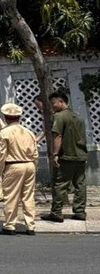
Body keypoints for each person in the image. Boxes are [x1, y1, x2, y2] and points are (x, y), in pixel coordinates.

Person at [44, 90, 88, 223]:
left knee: (59, 184)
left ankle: (56, 212)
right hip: (80, 155)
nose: (52, 106)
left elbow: (57, 136)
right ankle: (80, 211)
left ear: (61, 101)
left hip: (66, 156)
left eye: (53, 103)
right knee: (80, 185)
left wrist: (55, 154)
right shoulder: (78, 117)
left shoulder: (59, 116)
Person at [0, 103, 38, 235]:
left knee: (11, 196)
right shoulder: (29, 132)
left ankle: (10, 225)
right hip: (29, 164)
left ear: (5, 117)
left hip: (13, 165)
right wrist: (34, 166)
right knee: (28, 196)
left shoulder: (4, 132)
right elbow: (35, 153)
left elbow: (1, 154)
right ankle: (30, 225)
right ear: (19, 117)